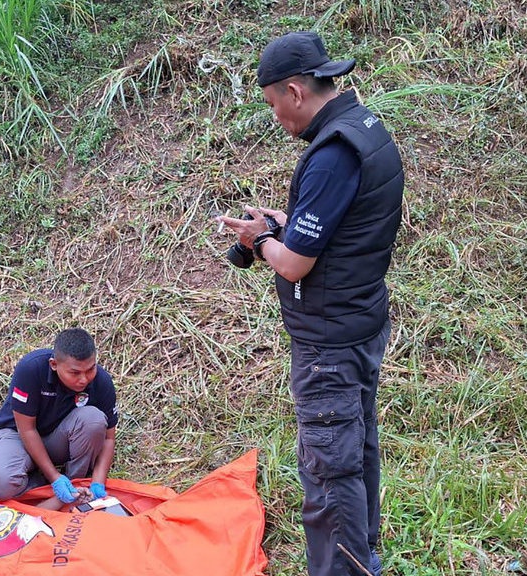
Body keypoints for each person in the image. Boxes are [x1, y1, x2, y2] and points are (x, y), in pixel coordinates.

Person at [217, 31, 404, 576]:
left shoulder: (330, 155)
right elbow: (337, 228)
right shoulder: (364, 129)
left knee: (328, 467)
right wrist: (280, 224)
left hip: (329, 342)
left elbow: (296, 263)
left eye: (274, 104)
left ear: (295, 92)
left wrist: (260, 242)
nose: (276, 117)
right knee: (356, 450)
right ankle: (361, 558)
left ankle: (341, 570)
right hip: (361, 320)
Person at [0, 327, 118, 508]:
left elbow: (108, 438)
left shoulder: (101, 381)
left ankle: (75, 487)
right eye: (75, 373)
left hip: (58, 440)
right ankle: (44, 484)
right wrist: (54, 477)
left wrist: (98, 483)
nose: (84, 379)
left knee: (93, 419)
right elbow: (27, 429)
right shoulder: (31, 369)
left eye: (90, 369)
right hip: (18, 437)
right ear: (54, 365)